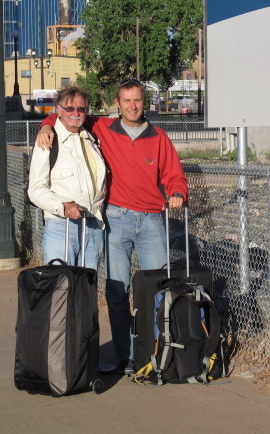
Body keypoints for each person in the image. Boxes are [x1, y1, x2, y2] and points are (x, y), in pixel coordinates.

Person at [37, 78, 188, 375]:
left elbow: (175, 175)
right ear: (117, 104)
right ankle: (126, 356)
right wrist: (45, 124)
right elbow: (69, 112)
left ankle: (159, 354)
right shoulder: (103, 128)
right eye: (127, 101)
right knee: (117, 292)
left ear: (145, 103)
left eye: (138, 100)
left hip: (152, 222)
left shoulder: (158, 137)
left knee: (157, 290)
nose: (133, 106)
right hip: (116, 220)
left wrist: (177, 193)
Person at [28, 86, 107, 271]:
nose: (76, 113)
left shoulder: (92, 138)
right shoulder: (47, 140)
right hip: (61, 226)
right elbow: (35, 189)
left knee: (87, 287)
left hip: (93, 224)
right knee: (60, 287)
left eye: (81, 109)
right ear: (59, 110)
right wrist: (63, 206)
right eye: (69, 108)